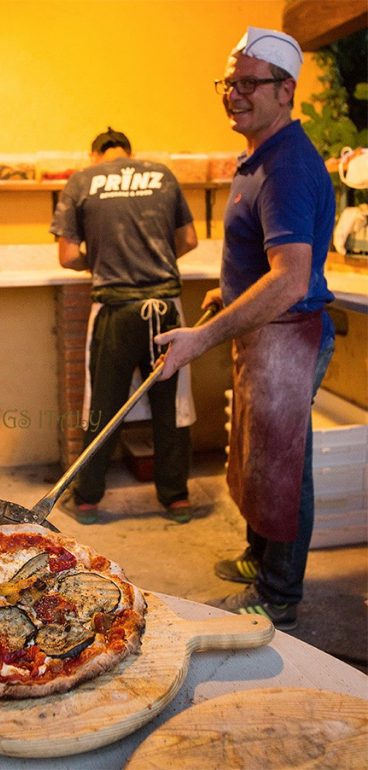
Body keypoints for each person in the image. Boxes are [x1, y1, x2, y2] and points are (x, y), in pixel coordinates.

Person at [155, 27, 335, 630]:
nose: (233, 94)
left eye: (248, 83)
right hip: (262, 331)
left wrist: (201, 338)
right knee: (256, 454)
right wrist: (229, 292)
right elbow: (264, 258)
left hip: (287, 334)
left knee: (283, 464)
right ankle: (260, 559)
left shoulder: (287, 167)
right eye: (228, 83)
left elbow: (288, 279)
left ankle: (279, 593)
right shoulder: (259, 153)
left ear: (286, 91)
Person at [50, 128, 199, 524]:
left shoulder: (82, 180)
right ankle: (176, 499)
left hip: (116, 310)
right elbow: (189, 239)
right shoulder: (162, 175)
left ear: (95, 153)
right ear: (130, 153)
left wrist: (96, 262)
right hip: (164, 307)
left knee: (104, 407)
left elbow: (67, 257)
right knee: (170, 407)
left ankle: (88, 500)